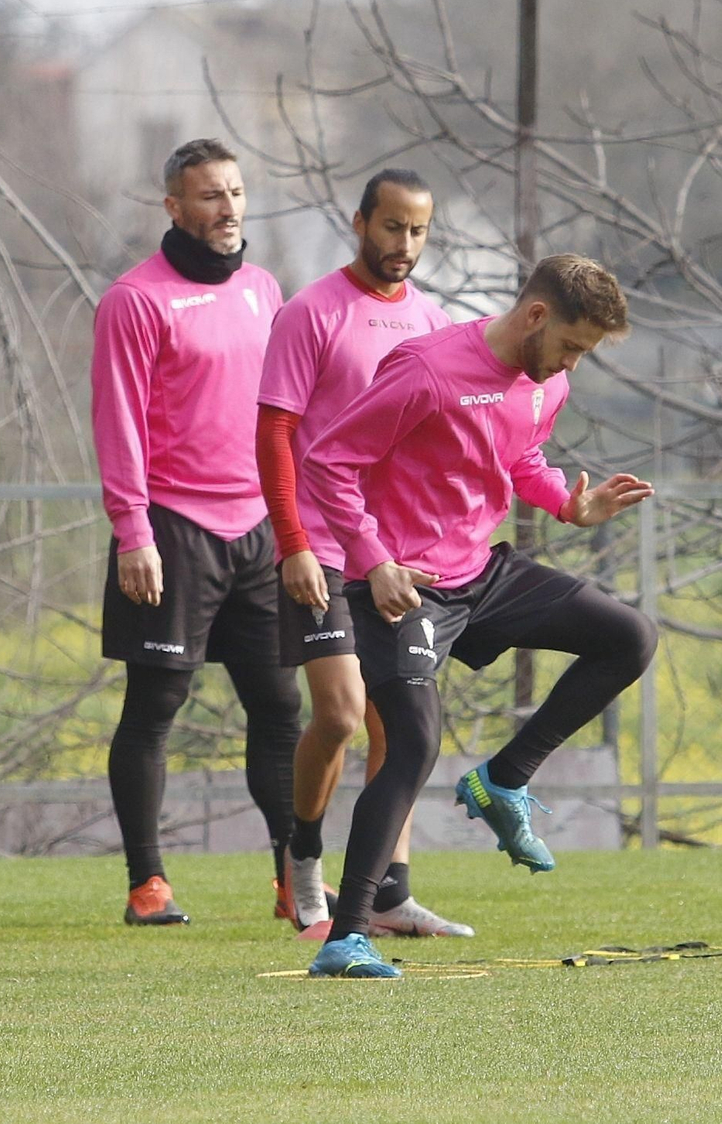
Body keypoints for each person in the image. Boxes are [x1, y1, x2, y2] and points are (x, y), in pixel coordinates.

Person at [299, 254, 657, 977]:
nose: (572, 364)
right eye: (571, 345)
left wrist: (567, 504)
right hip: (405, 583)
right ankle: (347, 938)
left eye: (584, 354)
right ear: (535, 316)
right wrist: (372, 559)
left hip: (482, 573)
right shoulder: (426, 371)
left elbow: (521, 457)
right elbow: (328, 461)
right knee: (414, 744)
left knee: (630, 636)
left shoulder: (546, 381)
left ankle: (506, 778)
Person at [256, 168, 472, 941]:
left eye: (418, 230)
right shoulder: (311, 312)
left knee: (397, 720)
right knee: (342, 714)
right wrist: (292, 543)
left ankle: (389, 893)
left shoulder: (433, 322)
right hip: (322, 547)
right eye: (392, 227)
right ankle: (303, 860)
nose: (404, 243)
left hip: (395, 554)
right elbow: (275, 433)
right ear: (360, 223)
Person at [91, 138, 302, 926]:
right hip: (173, 529)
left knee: (279, 706)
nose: (228, 209)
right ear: (175, 208)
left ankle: (295, 878)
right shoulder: (135, 299)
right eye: (211, 196)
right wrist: (132, 531)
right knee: (156, 704)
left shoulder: (264, 289)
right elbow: (117, 421)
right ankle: (147, 884)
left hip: (260, 528)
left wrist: (298, 522)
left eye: (236, 192)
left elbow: (287, 411)